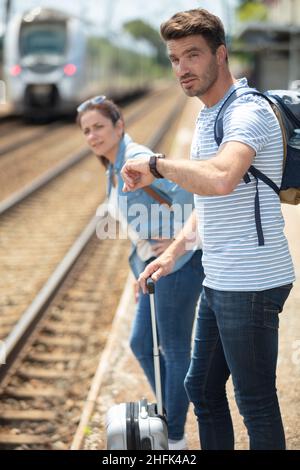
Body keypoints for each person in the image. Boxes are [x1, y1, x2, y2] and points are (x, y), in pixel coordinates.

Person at [121, 9, 295, 450]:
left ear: (221, 54)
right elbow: (207, 202)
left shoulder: (247, 112)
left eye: (193, 55)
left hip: (252, 280)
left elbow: (220, 179)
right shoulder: (207, 114)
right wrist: (173, 253)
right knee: (200, 389)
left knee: (254, 401)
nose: (182, 68)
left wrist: (157, 165)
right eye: (175, 58)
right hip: (220, 277)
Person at [77, 96, 204, 449]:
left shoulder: (136, 159)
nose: (92, 136)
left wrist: (180, 238)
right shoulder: (112, 164)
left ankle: (174, 437)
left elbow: (196, 195)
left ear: (119, 126)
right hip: (155, 269)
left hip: (179, 265)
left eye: (99, 127)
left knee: (175, 349)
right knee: (141, 343)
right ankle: (170, 415)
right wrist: (141, 270)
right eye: (86, 130)